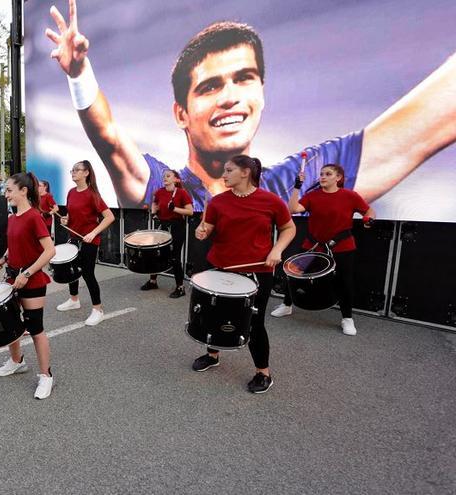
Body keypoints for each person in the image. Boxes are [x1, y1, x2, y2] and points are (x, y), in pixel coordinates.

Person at [44, 3, 456, 208]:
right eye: (209, 87)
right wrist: (79, 73)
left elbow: (432, 117)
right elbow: (111, 140)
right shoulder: (163, 183)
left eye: (244, 78)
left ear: (261, 93)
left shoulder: (300, 175)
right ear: (181, 114)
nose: (230, 96)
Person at [192, 155, 296, 394]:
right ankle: (213, 355)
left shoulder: (271, 201)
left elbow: (289, 228)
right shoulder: (218, 202)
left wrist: (277, 249)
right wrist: (202, 230)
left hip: (257, 271)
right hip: (222, 268)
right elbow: (207, 230)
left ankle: (263, 373)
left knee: (254, 323)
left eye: (229, 170)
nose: (224, 175)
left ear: (245, 172)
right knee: (213, 315)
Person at [270, 164, 376, 335]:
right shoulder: (312, 196)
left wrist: (369, 219)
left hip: (343, 246)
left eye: (328, 174)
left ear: (338, 178)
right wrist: (297, 187)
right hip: (313, 245)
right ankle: (287, 305)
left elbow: (369, 210)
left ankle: (347, 318)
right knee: (295, 275)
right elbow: (292, 209)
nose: (323, 177)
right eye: (321, 174)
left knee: (344, 281)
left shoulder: (350, 196)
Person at [0, 172, 58, 399]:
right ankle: (16, 361)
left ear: (23, 191)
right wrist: (4, 258)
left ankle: (46, 376)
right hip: (13, 277)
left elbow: (50, 250)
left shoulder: (34, 217)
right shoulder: (13, 217)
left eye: (9, 190)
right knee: (11, 325)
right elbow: (15, 244)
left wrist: (27, 273)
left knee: (35, 329)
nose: (5, 194)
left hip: (32, 279)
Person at [56, 160, 115, 326]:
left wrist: (93, 232)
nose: (73, 172)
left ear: (86, 173)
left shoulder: (92, 194)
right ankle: (74, 300)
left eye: (77, 170)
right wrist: (66, 220)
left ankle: (98, 309)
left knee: (88, 274)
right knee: (71, 270)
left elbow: (109, 217)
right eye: (72, 170)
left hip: (90, 240)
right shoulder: (71, 192)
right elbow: (70, 214)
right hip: (74, 238)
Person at [141, 170, 194, 297]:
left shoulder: (182, 193)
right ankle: (153, 281)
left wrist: (174, 209)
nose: (165, 178)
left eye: (168, 176)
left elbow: (190, 212)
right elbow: (155, 203)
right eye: (164, 176)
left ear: (176, 180)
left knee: (175, 257)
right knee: (155, 254)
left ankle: (180, 288)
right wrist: (154, 210)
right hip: (162, 225)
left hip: (176, 226)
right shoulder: (159, 192)